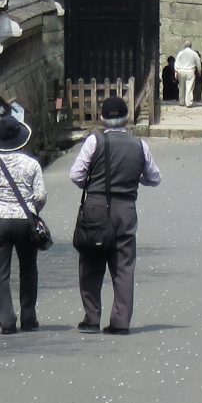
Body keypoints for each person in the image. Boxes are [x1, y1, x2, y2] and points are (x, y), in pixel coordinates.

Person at [68, 94, 162, 332]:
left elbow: (76, 174)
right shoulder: (139, 145)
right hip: (125, 207)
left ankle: (91, 318)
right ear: (127, 119)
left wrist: (93, 185)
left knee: (90, 261)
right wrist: (134, 179)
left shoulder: (94, 141)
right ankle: (120, 321)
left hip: (96, 206)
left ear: (102, 119)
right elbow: (154, 177)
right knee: (123, 265)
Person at [0, 116, 46, 333]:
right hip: (25, 220)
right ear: (21, 138)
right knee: (28, 268)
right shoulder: (32, 164)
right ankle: (29, 317)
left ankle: (7, 321)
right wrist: (33, 212)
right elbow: (40, 195)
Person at [176, 40, 202, 107]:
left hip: (181, 71)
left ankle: (181, 102)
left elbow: (176, 63)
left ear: (184, 46)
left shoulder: (180, 53)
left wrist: (176, 71)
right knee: (189, 87)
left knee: (181, 87)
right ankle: (188, 103)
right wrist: (199, 71)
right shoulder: (194, 53)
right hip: (190, 71)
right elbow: (198, 63)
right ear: (191, 46)